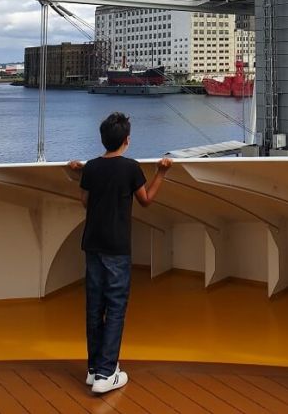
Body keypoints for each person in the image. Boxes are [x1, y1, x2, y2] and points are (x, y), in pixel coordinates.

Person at [67, 111, 172, 395]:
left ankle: (93, 369)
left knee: (94, 308)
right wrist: (161, 173)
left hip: (92, 244)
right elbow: (146, 200)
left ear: (103, 139)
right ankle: (106, 372)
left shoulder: (91, 168)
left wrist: (78, 174)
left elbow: (86, 202)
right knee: (115, 308)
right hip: (116, 247)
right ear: (127, 140)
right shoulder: (130, 168)